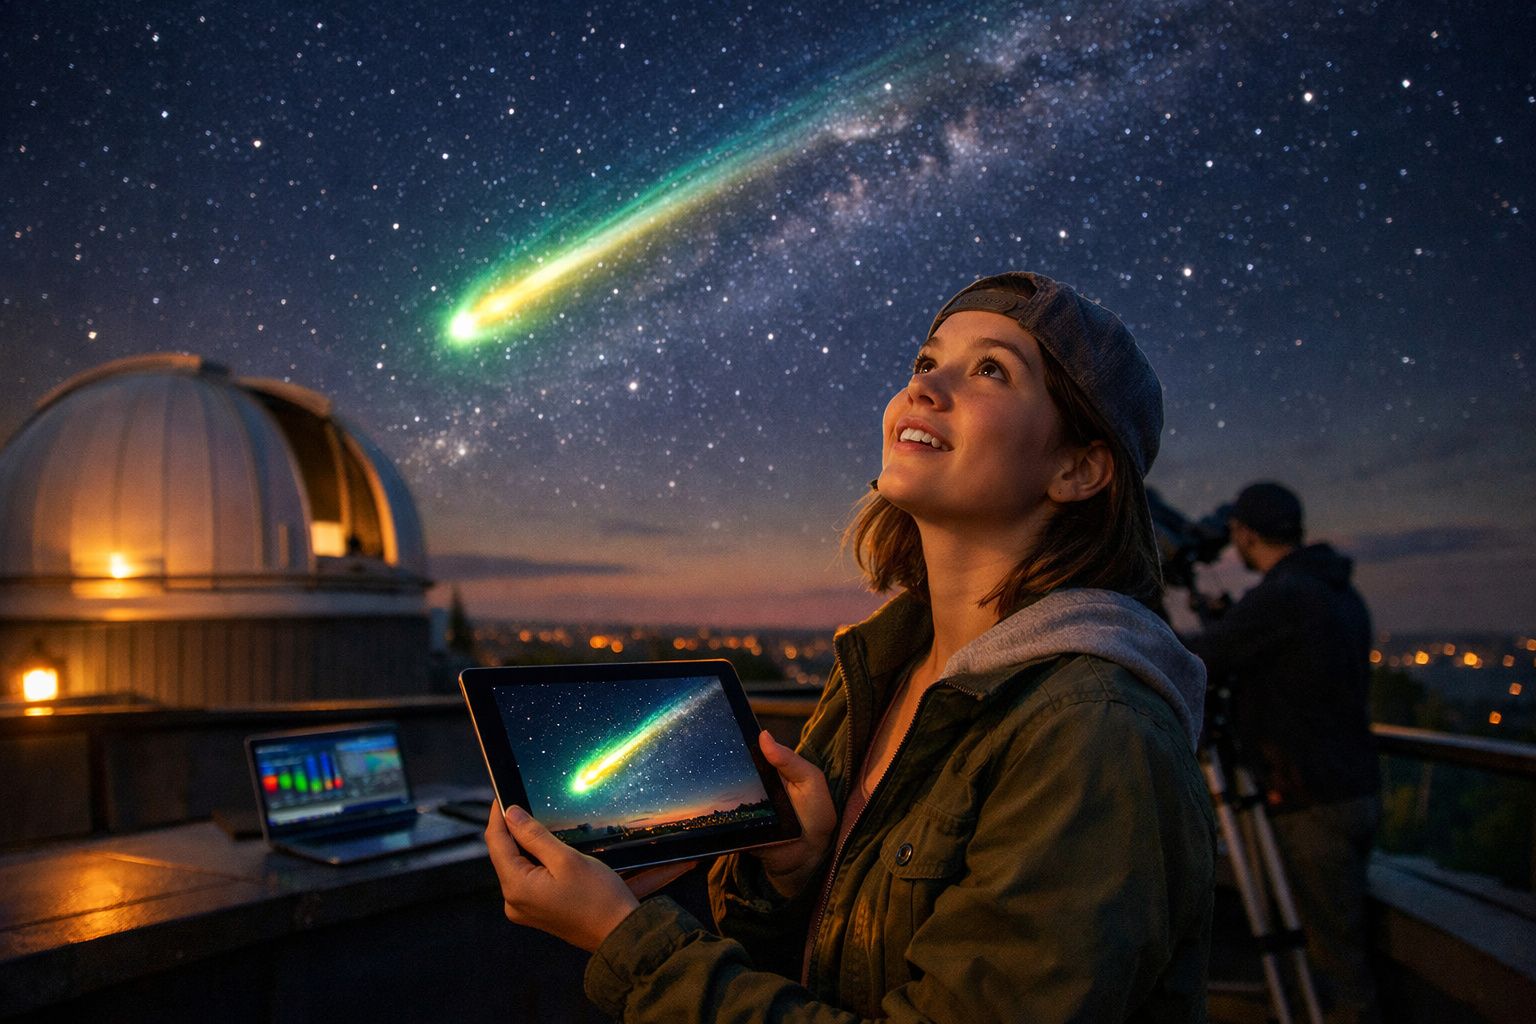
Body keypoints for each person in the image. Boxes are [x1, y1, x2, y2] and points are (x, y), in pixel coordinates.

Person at [485, 271, 1216, 1022]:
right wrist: (791, 877)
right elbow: (819, 980)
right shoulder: (879, 672)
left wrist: (627, 943)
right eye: (926, 363)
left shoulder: (1094, 731)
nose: (924, 390)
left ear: (1079, 468)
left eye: (991, 369)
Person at [1188, 481, 1381, 1024]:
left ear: (1247, 535)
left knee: (1338, 967)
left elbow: (1206, 656)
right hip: (1354, 785)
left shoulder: (1285, 596)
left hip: (1311, 800)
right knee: (1339, 950)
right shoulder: (1337, 590)